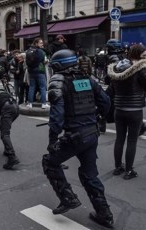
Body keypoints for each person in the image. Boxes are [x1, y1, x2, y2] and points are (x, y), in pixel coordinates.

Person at [42, 49, 113, 228]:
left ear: (58, 66)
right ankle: (105, 214)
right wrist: (96, 117)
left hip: (75, 136)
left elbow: (57, 116)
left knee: (50, 162)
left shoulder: (59, 82)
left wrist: (52, 141)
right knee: (89, 174)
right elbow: (106, 103)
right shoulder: (89, 79)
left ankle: (68, 198)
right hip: (91, 133)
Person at [106, 44, 146, 179]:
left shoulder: (117, 68)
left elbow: (111, 89)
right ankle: (129, 171)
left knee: (119, 139)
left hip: (119, 109)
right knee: (132, 141)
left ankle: (118, 167)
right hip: (134, 110)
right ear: (140, 55)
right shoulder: (140, 69)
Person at [26, 37, 49, 109]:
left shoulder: (28, 51)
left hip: (31, 71)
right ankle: (43, 103)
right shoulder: (40, 51)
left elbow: (27, 61)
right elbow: (43, 60)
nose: (42, 44)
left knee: (32, 87)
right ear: (36, 43)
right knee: (43, 87)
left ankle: (30, 103)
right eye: (41, 43)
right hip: (39, 70)